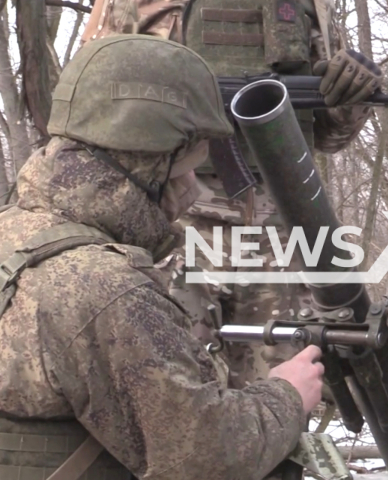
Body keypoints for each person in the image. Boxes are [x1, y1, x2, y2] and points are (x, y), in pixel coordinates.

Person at [0, 34, 324, 480]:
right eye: (189, 164)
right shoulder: (106, 291)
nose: (198, 187)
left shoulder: (13, 234)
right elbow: (205, 457)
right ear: (153, 160)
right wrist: (288, 394)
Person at [79, 0, 382, 389]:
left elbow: (326, 134)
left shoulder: (305, 7)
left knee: (284, 398)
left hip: (281, 236)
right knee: (169, 389)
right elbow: (93, 108)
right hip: (175, 227)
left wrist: (352, 96)